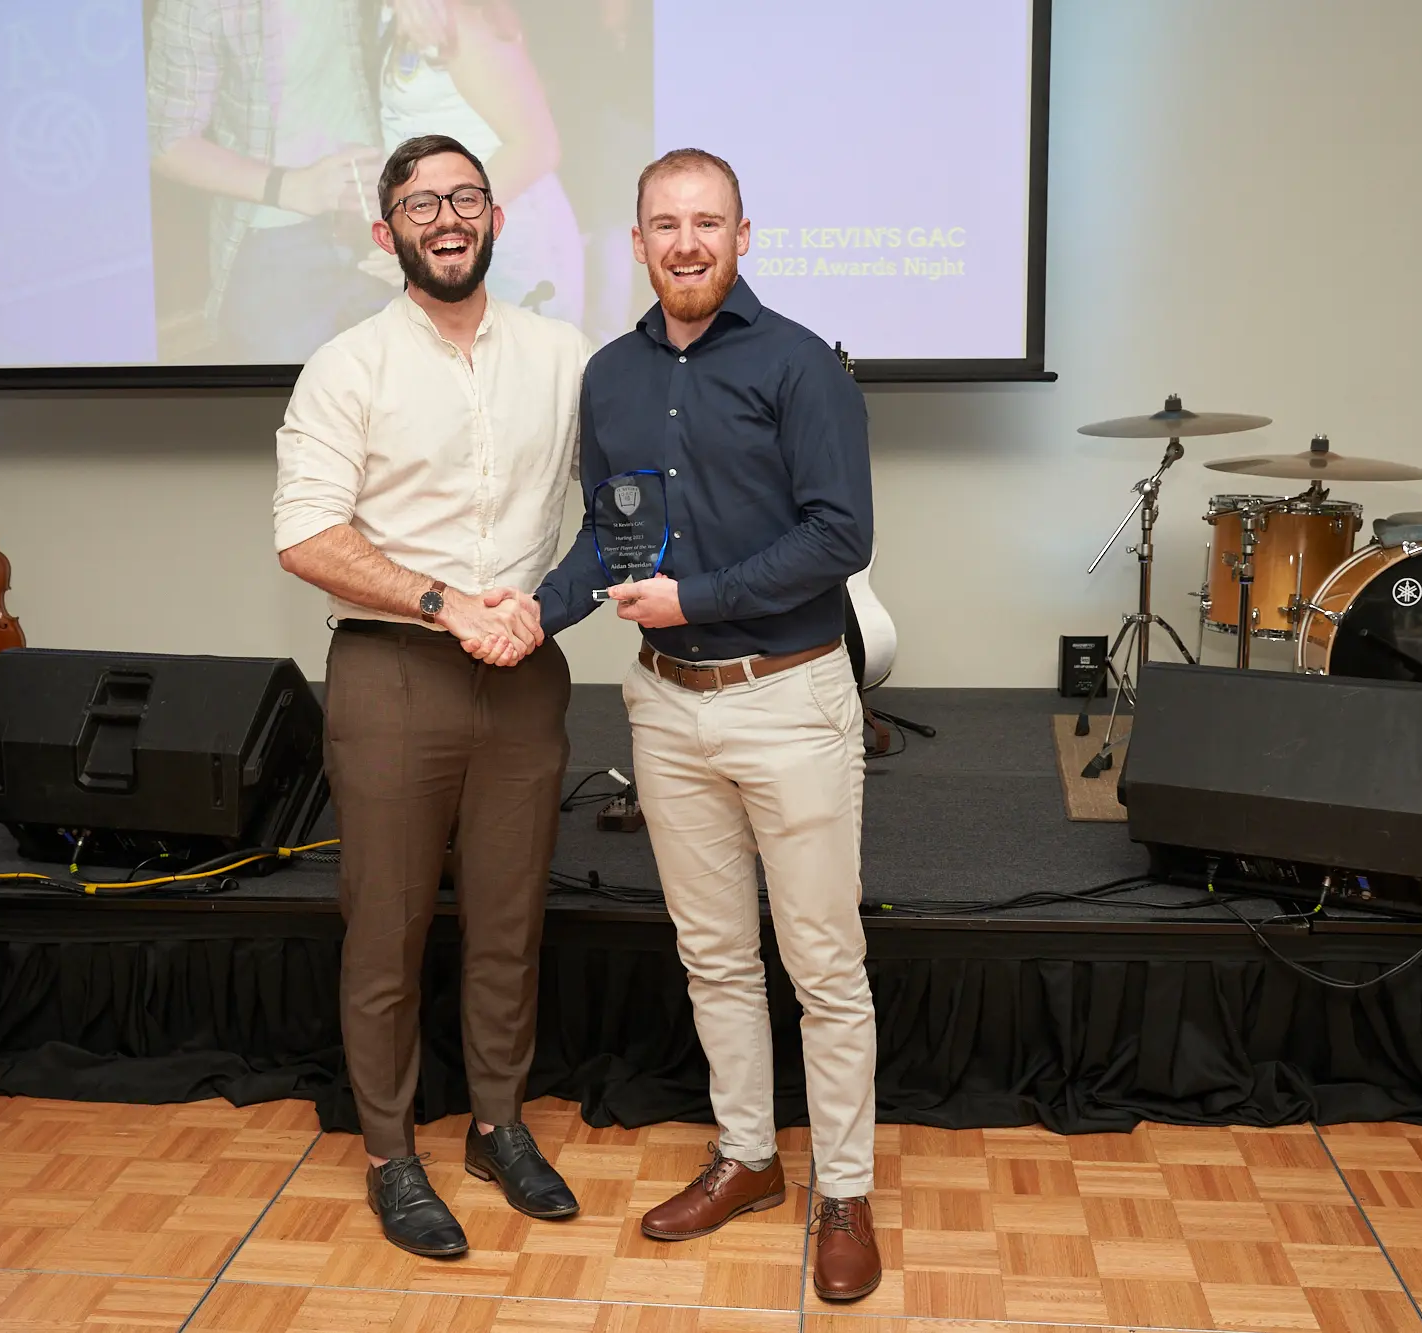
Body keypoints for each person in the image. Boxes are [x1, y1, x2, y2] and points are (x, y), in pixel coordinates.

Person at [524, 148, 883, 1302]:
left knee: (822, 965)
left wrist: (701, 598)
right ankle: (747, 1157)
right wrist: (527, 617)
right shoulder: (609, 376)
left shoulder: (799, 368)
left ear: (742, 235)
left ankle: (843, 1188)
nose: (685, 241)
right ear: (635, 242)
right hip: (664, 706)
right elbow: (608, 538)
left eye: (706, 222)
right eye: (663, 224)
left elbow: (840, 538)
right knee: (714, 955)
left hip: (788, 698)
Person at [272, 133, 593, 1258]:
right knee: (388, 927)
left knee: (509, 920)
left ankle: (497, 1124)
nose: (445, 218)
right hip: (392, 670)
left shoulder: (564, 355)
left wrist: (543, 607)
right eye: (419, 203)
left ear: (497, 216)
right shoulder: (346, 366)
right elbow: (304, 535)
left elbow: (616, 514)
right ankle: (389, 1151)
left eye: (464, 197)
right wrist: (442, 601)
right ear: (385, 232)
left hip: (525, 669)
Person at [147, 0, 438, 361]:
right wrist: (290, 187)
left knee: (411, 392)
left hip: (392, 219)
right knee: (292, 403)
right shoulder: (200, 7)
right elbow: (165, 142)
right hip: (276, 236)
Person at [366, 0, 586, 323]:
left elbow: (538, 146)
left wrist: (432, 225)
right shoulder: (395, 14)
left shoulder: (460, 19)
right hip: (466, 245)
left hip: (515, 248)